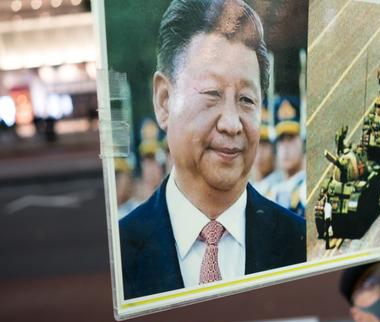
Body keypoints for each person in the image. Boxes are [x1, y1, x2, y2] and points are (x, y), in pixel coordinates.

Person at [119, 0, 306, 300]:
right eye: (212, 94)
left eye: (246, 99)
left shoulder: (299, 243)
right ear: (165, 100)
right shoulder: (120, 253)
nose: (232, 124)